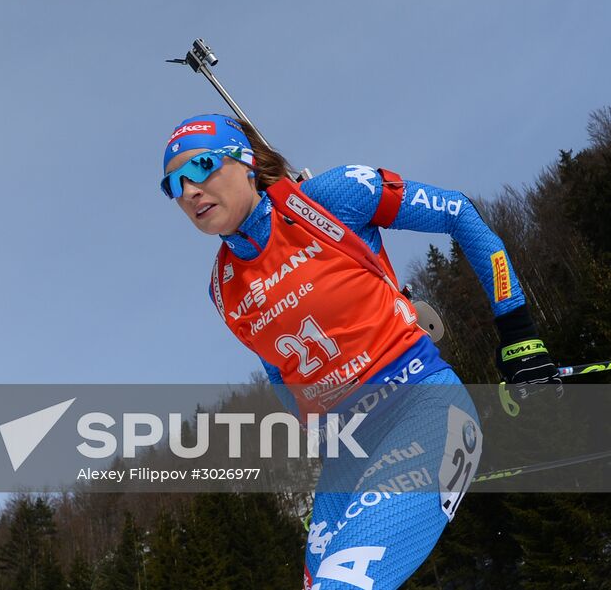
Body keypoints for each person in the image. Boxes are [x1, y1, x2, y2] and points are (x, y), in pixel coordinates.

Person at [160, 113, 562, 589]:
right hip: (347, 453)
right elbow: (277, 370)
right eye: (174, 183)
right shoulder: (224, 288)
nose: (189, 190)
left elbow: (458, 213)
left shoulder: (330, 198)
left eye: (202, 166)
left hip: (422, 408)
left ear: (245, 161)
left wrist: (519, 335)